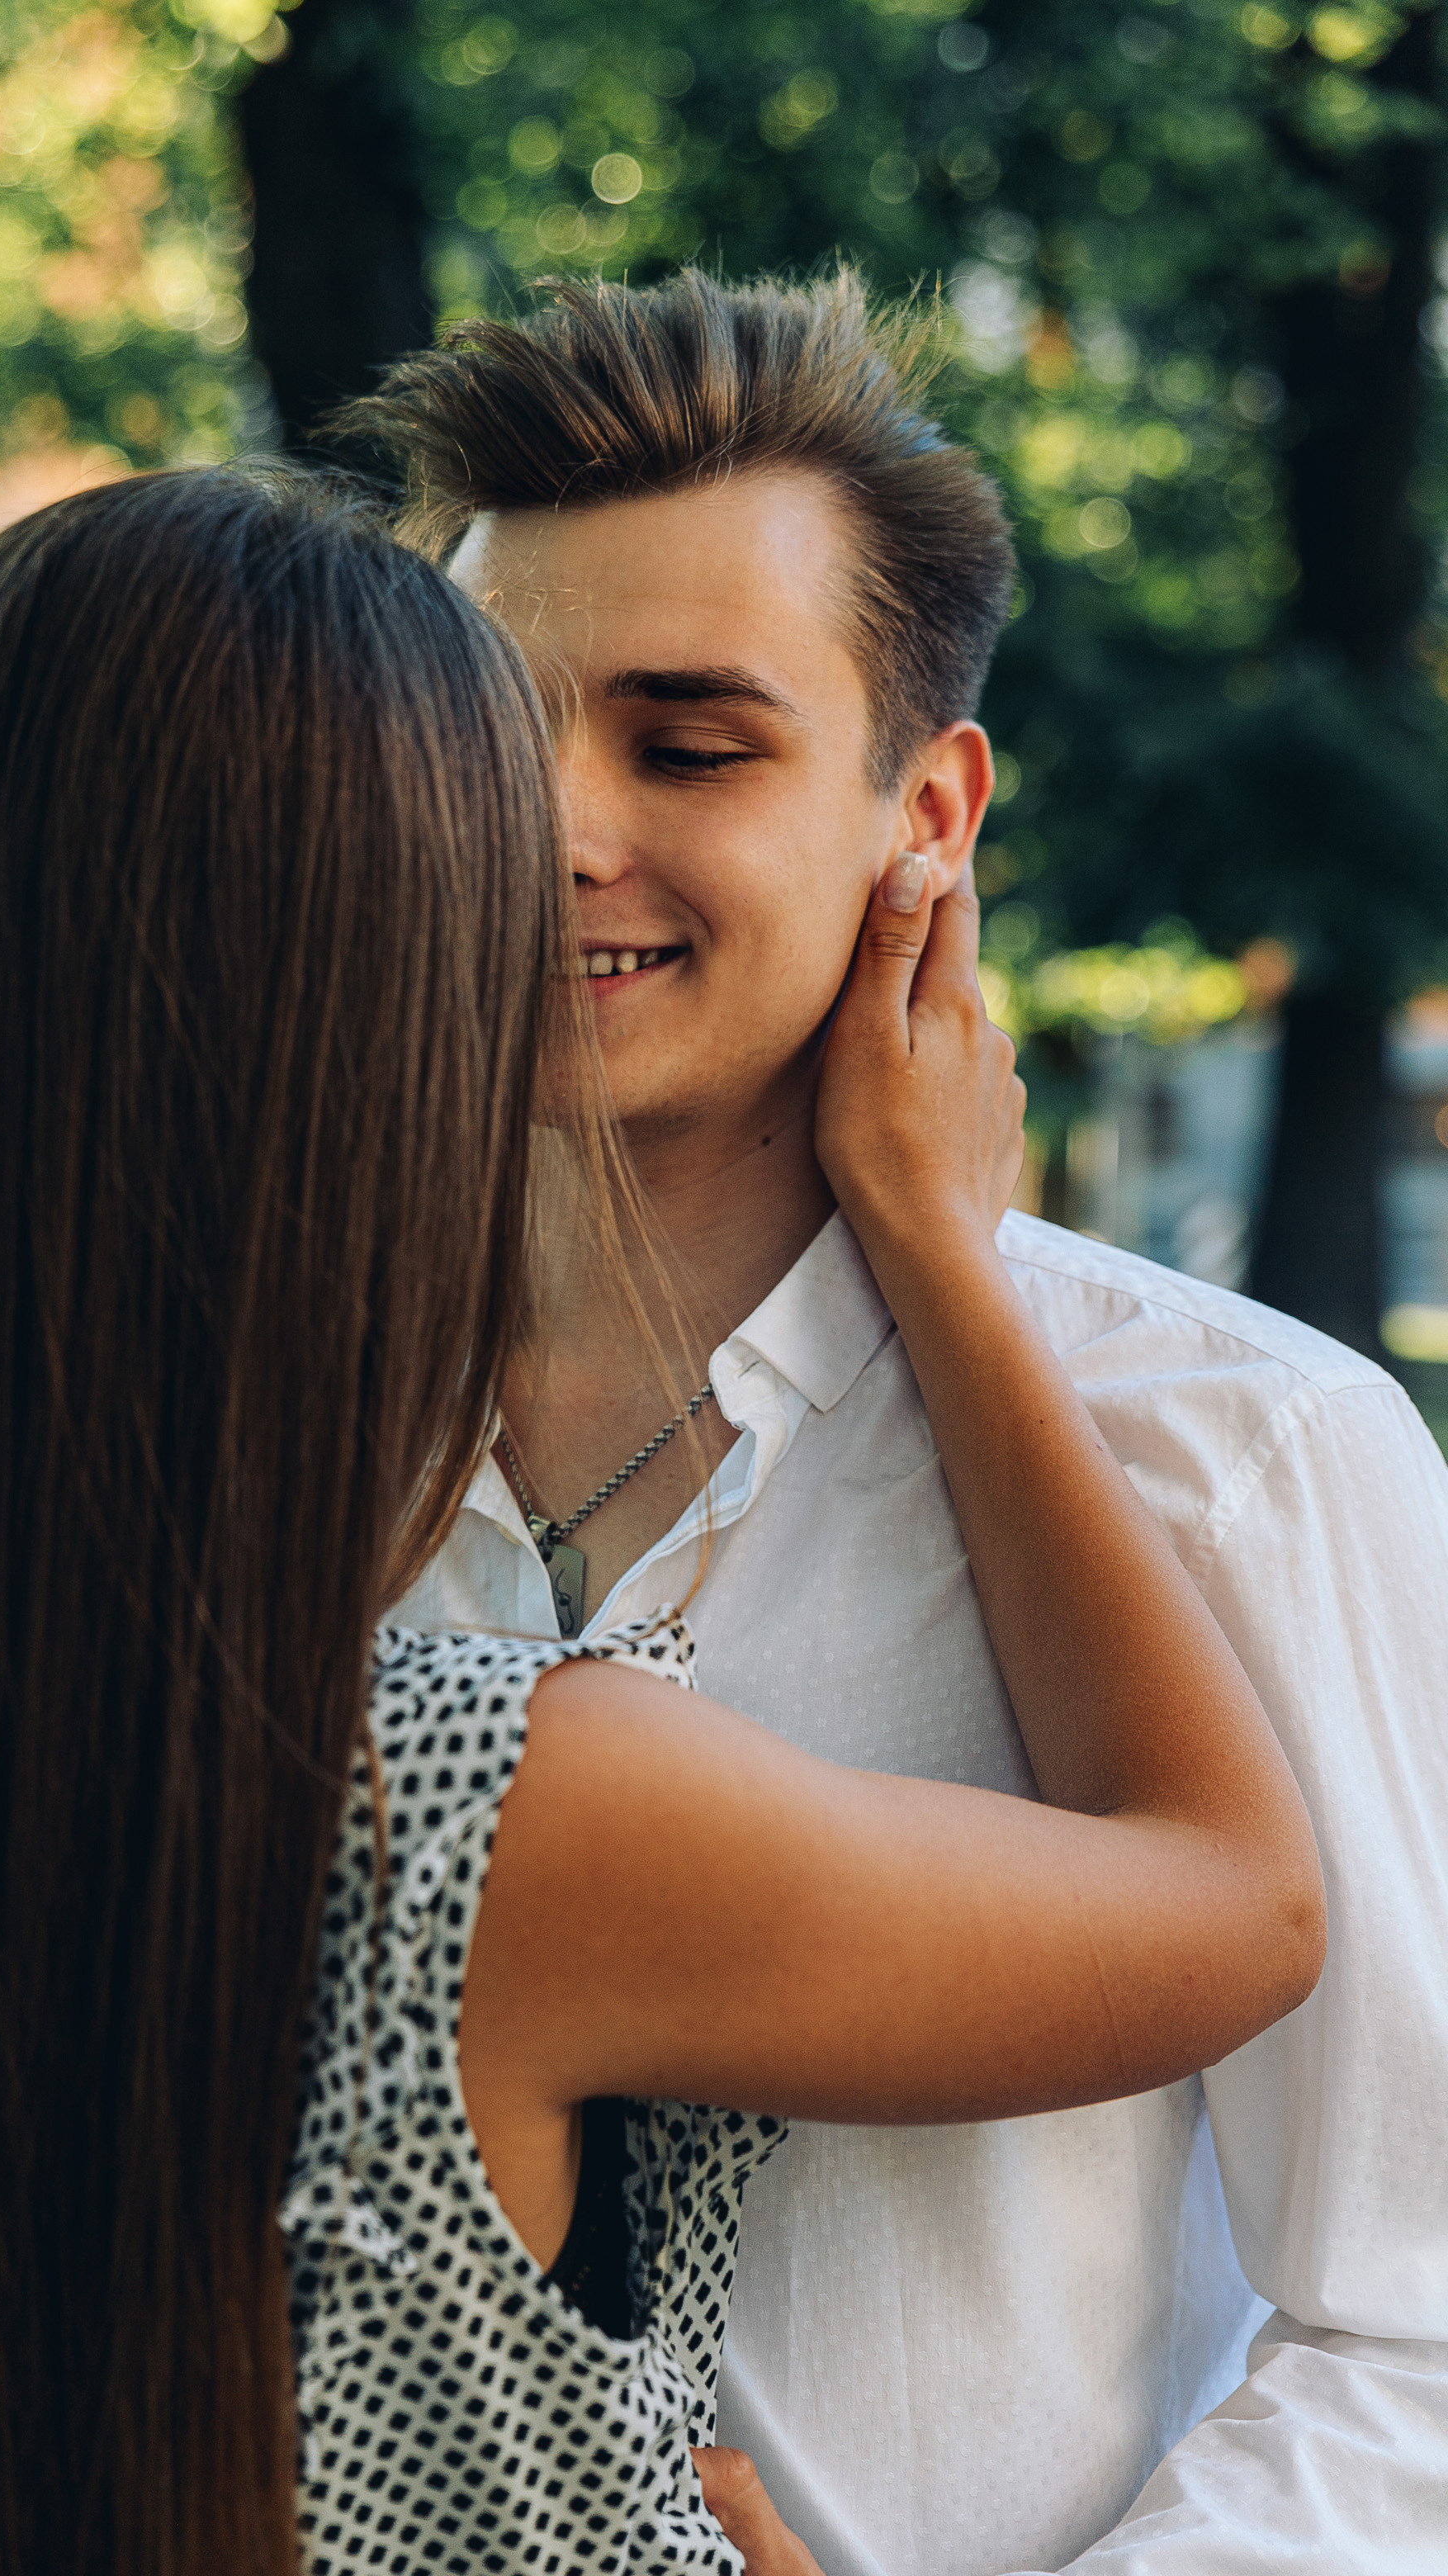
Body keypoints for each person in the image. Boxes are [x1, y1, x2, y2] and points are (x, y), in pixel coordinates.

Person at [0, 466, 1322, 2576]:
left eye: (680, 747)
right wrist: (942, 1249)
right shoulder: (480, 1809)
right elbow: (1233, 1901)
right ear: (346, 1038)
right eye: (474, 863)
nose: (561, 870)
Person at [348, 268, 1448, 2576]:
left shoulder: (1235, 1452)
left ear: (923, 814)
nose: (549, 826)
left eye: (687, 745)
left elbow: (1414, 2325)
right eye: (481, 727)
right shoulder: (244, 1444)